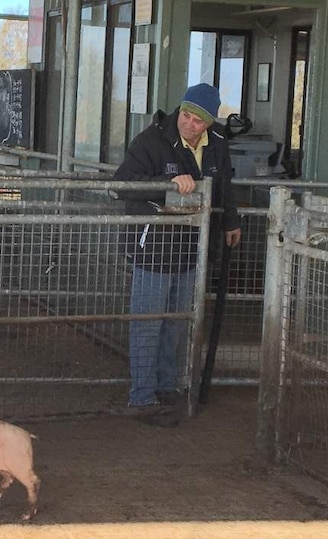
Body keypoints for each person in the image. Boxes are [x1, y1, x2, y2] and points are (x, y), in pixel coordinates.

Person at [114, 83, 241, 410]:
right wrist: (165, 185)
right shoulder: (152, 141)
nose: (189, 124)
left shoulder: (218, 145)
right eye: (185, 115)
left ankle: (167, 386)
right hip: (155, 244)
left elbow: (224, 183)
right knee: (149, 320)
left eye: (198, 121)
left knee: (178, 321)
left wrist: (230, 221)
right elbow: (121, 184)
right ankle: (141, 396)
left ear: (209, 123)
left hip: (193, 247)